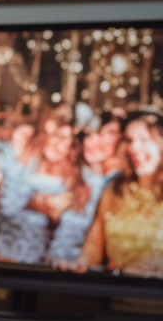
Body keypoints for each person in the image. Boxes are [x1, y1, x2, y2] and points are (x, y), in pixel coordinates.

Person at [78, 112, 163, 280]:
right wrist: (78, 265)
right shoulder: (114, 190)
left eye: (144, 139)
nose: (134, 147)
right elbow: (92, 248)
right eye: (129, 140)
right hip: (115, 293)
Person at [0, 111, 88, 264]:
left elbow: (74, 229)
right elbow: (7, 208)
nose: (54, 142)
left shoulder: (76, 177)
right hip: (8, 255)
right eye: (49, 134)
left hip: (46, 263)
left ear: (72, 142)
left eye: (63, 137)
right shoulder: (27, 163)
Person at [48, 111, 126, 265]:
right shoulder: (77, 175)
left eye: (109, 133)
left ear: (123, 139)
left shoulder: (123, 185)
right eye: (90, 134)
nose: (94, 141)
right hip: (54, 264)